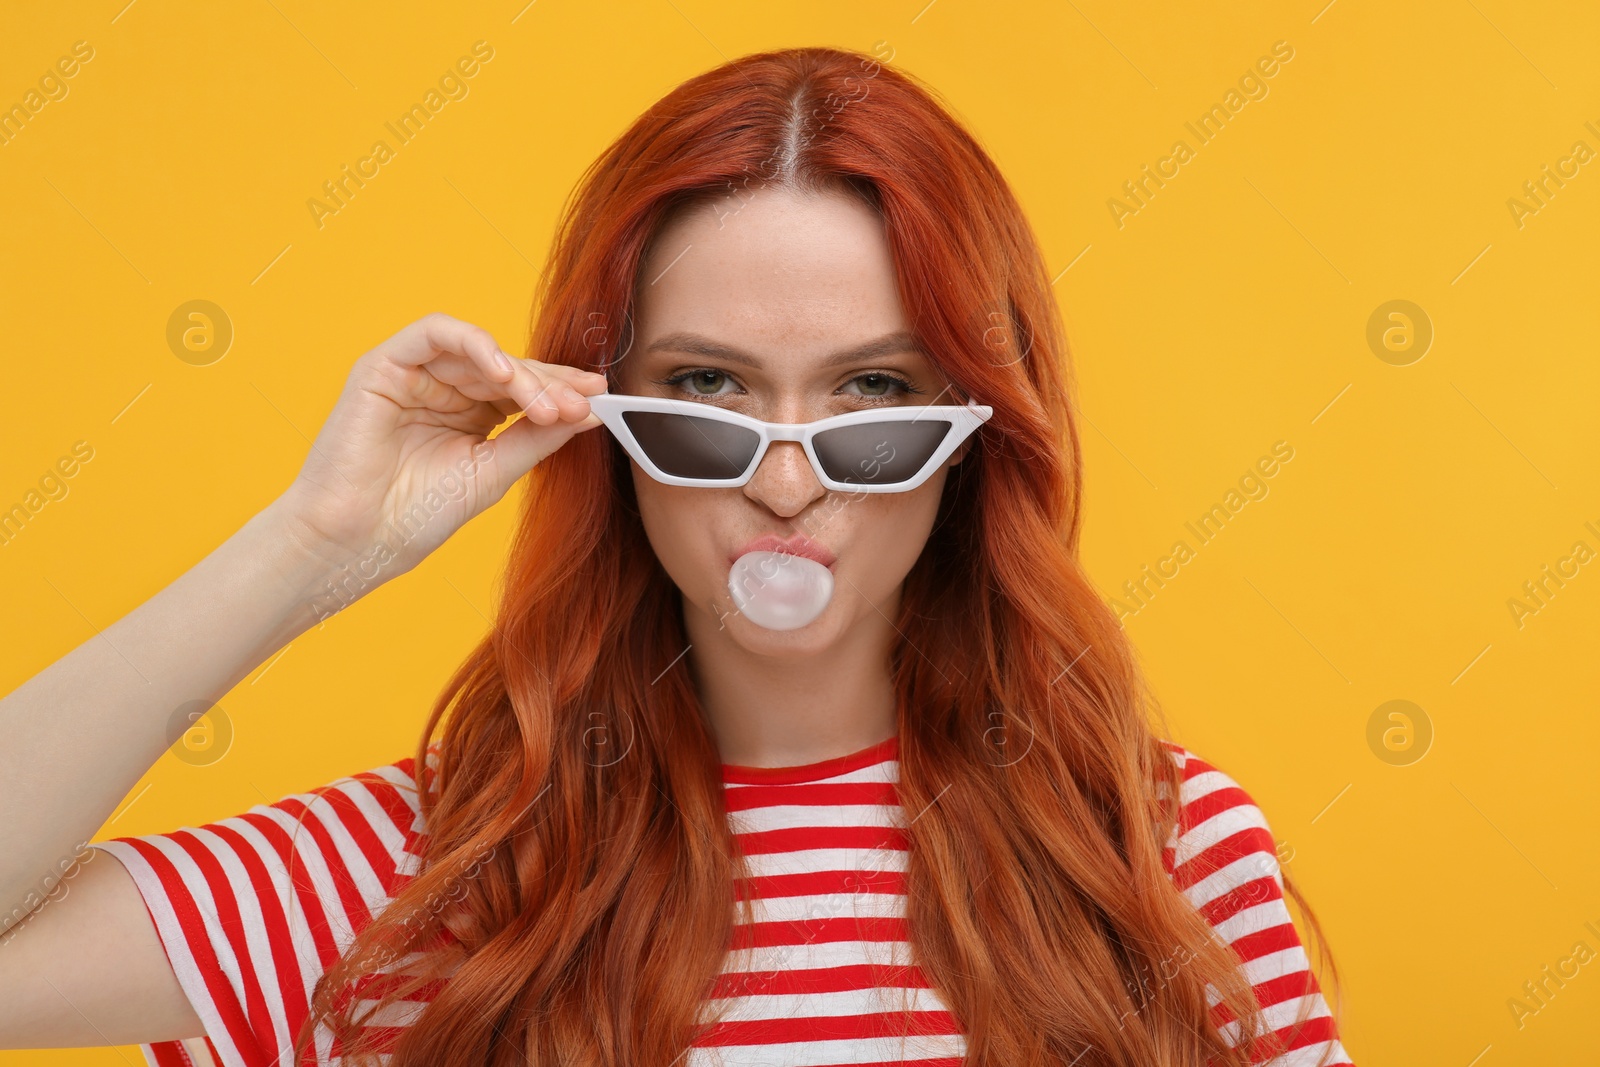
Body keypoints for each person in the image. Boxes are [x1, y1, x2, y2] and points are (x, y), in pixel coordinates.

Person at [0, 45, 1355, 1067]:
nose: (781, 484)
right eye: (705, 392)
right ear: (607, 426)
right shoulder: (425, 877)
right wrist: (309, 546)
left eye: (873, 397)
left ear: (973, 437)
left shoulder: (1157, 860)